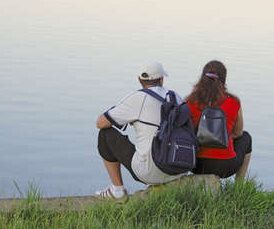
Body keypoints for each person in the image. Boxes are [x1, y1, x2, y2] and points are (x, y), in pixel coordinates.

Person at [95, 62, 184, 200]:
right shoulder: (176, 97)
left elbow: (101, 123)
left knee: (105, 134)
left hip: (148, 172)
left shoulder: (137, 98)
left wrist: (128, 116)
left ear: (139, 80)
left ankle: (117, 191)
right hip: (179, 169)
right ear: (161, 80)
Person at [186, 60, 252, 179]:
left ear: (202, 78)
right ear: (224, 79)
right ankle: (239, 186)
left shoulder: (189, 101)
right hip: (226, 166)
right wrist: (222, 136)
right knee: (246, 138)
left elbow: (185, 131)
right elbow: (238, 133)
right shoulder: (234, 101)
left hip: (196, 164)